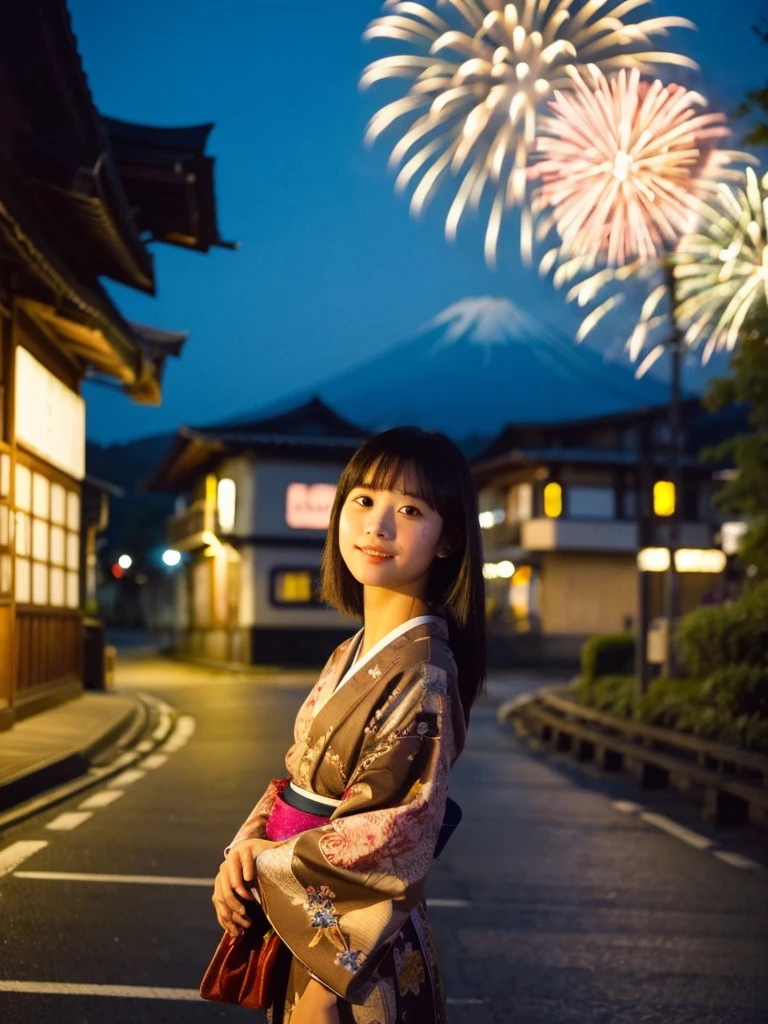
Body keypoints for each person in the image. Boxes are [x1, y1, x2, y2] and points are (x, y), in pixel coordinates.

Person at [211, 426, 486, 1023]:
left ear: (448, 541)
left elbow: (391, 835)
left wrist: (322, 990)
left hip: (351, 966)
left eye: (409, 509)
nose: (376, 526)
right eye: (363, 500)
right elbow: (297, 779)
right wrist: (243, 851)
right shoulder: (352, 651)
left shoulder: (425, 673)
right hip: (314, 936)